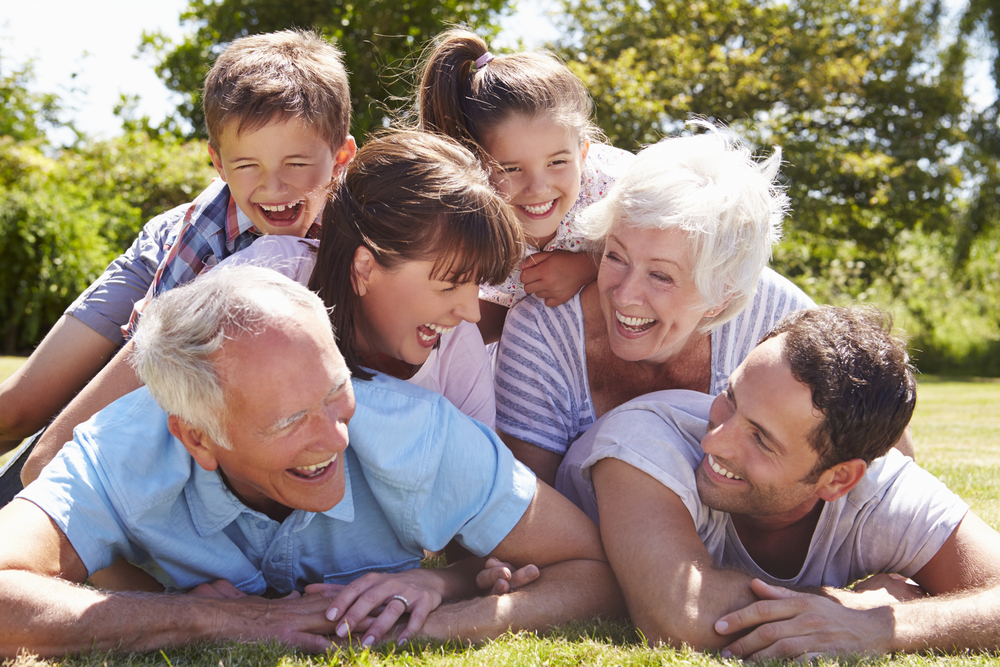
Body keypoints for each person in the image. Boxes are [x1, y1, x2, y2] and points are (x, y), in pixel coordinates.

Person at [0, 265, 623, 658]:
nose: (334, 438)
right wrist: (209, 618)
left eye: (334, 392)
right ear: (197, 438)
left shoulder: (417, 433)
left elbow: (589, 566)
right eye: (288, 421)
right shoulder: (121, 449)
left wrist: (427, 612)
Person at [557, 306, 1000, 658]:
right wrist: (857, 607)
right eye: (731, 399)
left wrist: (881, 628)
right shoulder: (644, 441)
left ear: (839, 478)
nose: (715, 441)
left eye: (761, 439)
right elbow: (681, 615)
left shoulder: (882, 491)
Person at [0, 29, 357, 453]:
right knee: (17, 411)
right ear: (218, 164)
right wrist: (53, 452)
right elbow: (145, 355)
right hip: (166, 259)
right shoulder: (206, 231)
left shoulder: (360, 221)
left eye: (296, 163)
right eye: (246, 165)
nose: (273, 186)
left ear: (341, 159)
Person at [494, 123, 815, 485]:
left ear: (721, 295)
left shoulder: (776, 319)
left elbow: (867, 434)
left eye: (661, 277)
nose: (624, 295)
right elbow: (525, 506)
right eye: (615, 257)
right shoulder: (542, 335)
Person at [219, 130, 523, 426]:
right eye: (449, 286)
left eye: (476, 283)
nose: (471, 313)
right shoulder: (269, 279)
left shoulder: (457, 345)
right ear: (364, 267)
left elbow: (481, 470)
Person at [418, 28, 634, 342]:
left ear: (583, 153)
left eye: (557, 162)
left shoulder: (619, 187)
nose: (538, 187)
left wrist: (589, 267)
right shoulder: (467, 222)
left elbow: (677, 252)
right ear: (478, 166)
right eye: (511, 168)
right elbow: (482, 322)